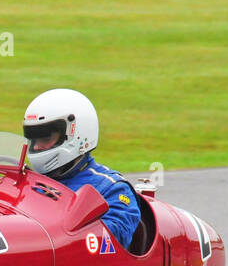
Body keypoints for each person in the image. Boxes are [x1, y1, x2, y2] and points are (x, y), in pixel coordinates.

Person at [22, 88, 141, 249]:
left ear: (76, 134)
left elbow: (112, 241)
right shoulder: (26, 182)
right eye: (33, 139)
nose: (36, 147)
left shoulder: (112, 188)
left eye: (44, 138)